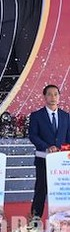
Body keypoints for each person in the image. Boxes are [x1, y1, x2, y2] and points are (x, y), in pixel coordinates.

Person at [28, 84, 70, 220]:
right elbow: (33, 136)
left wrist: (65, 148)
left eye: (55, 94)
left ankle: (61, 219)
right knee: (41, 189)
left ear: (59, 97)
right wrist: (47, 147)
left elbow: (68, 137)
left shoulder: (65, 116)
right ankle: (35, 220)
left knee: (61, 190)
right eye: (50, 94)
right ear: (44, 97)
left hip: (61, 161)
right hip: (43, 159)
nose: (53, 97)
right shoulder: (36, 116)